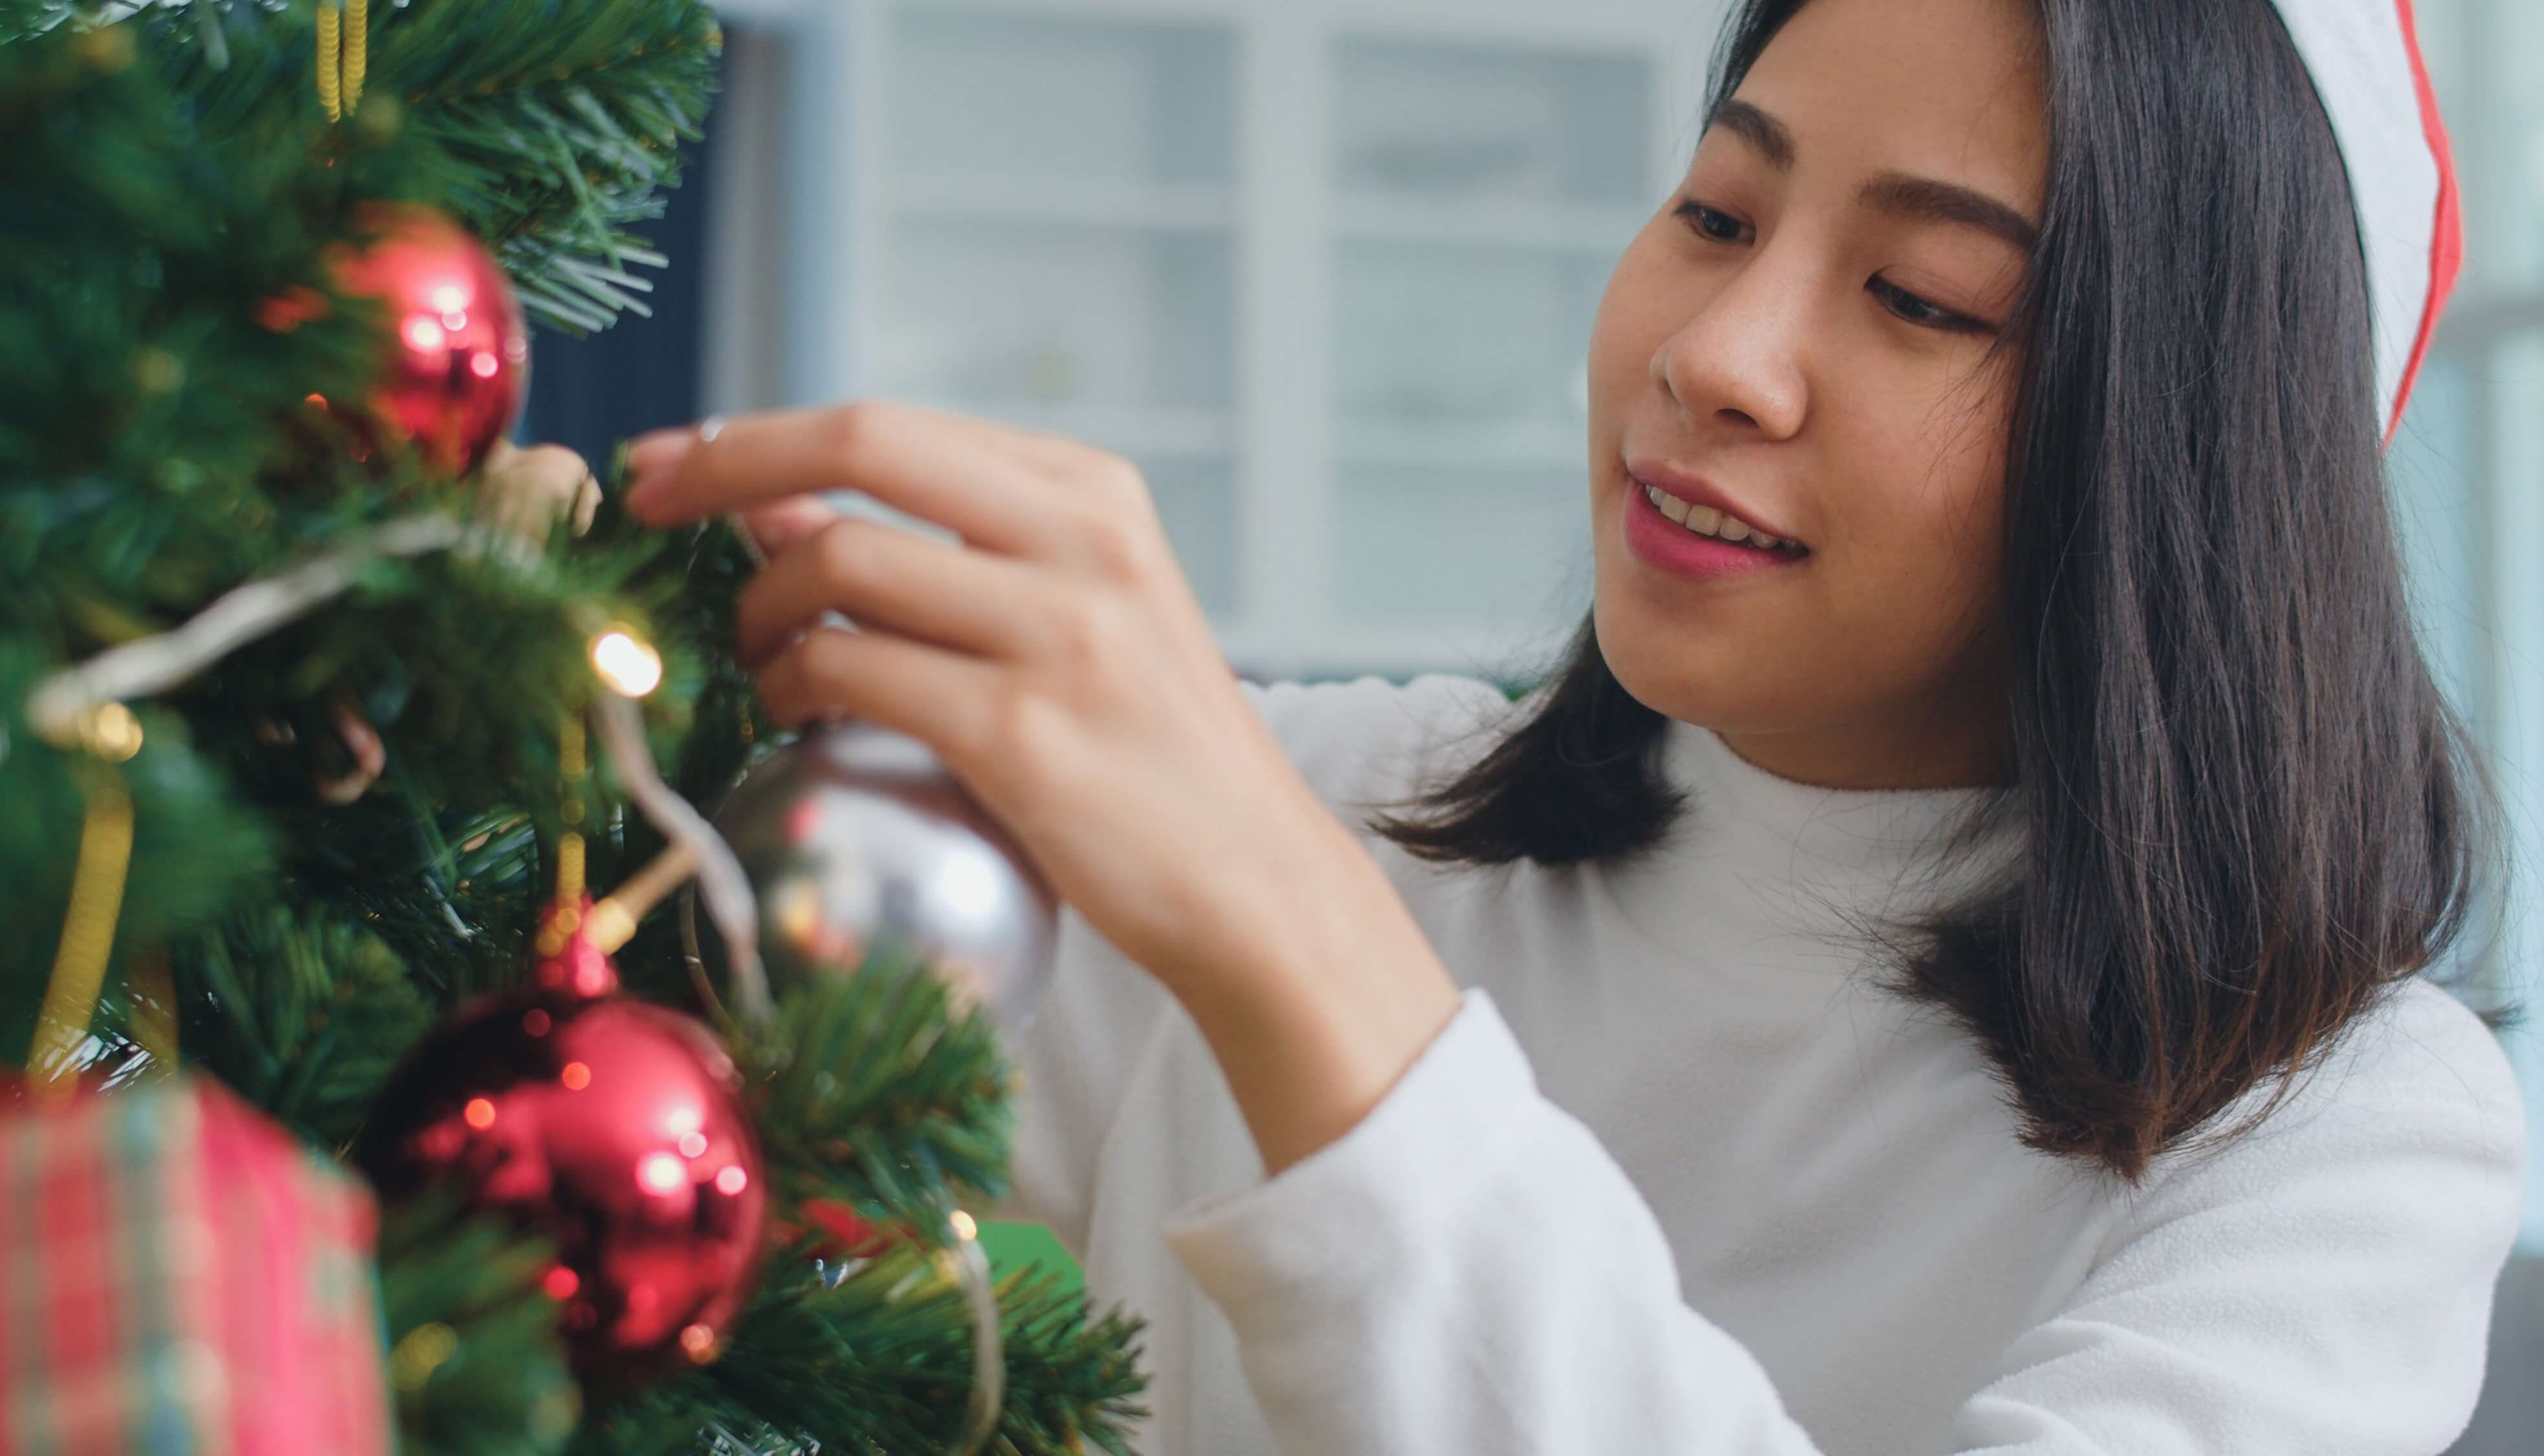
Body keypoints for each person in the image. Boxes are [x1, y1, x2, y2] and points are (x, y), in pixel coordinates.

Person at [619, 0, 2528, 1448]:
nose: (1713, 353)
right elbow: (636, 973)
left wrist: (1296, 945)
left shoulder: (2338, 1133)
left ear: (2180, 458)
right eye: (1714, 209)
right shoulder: (1344, 802)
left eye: (1920, 298)